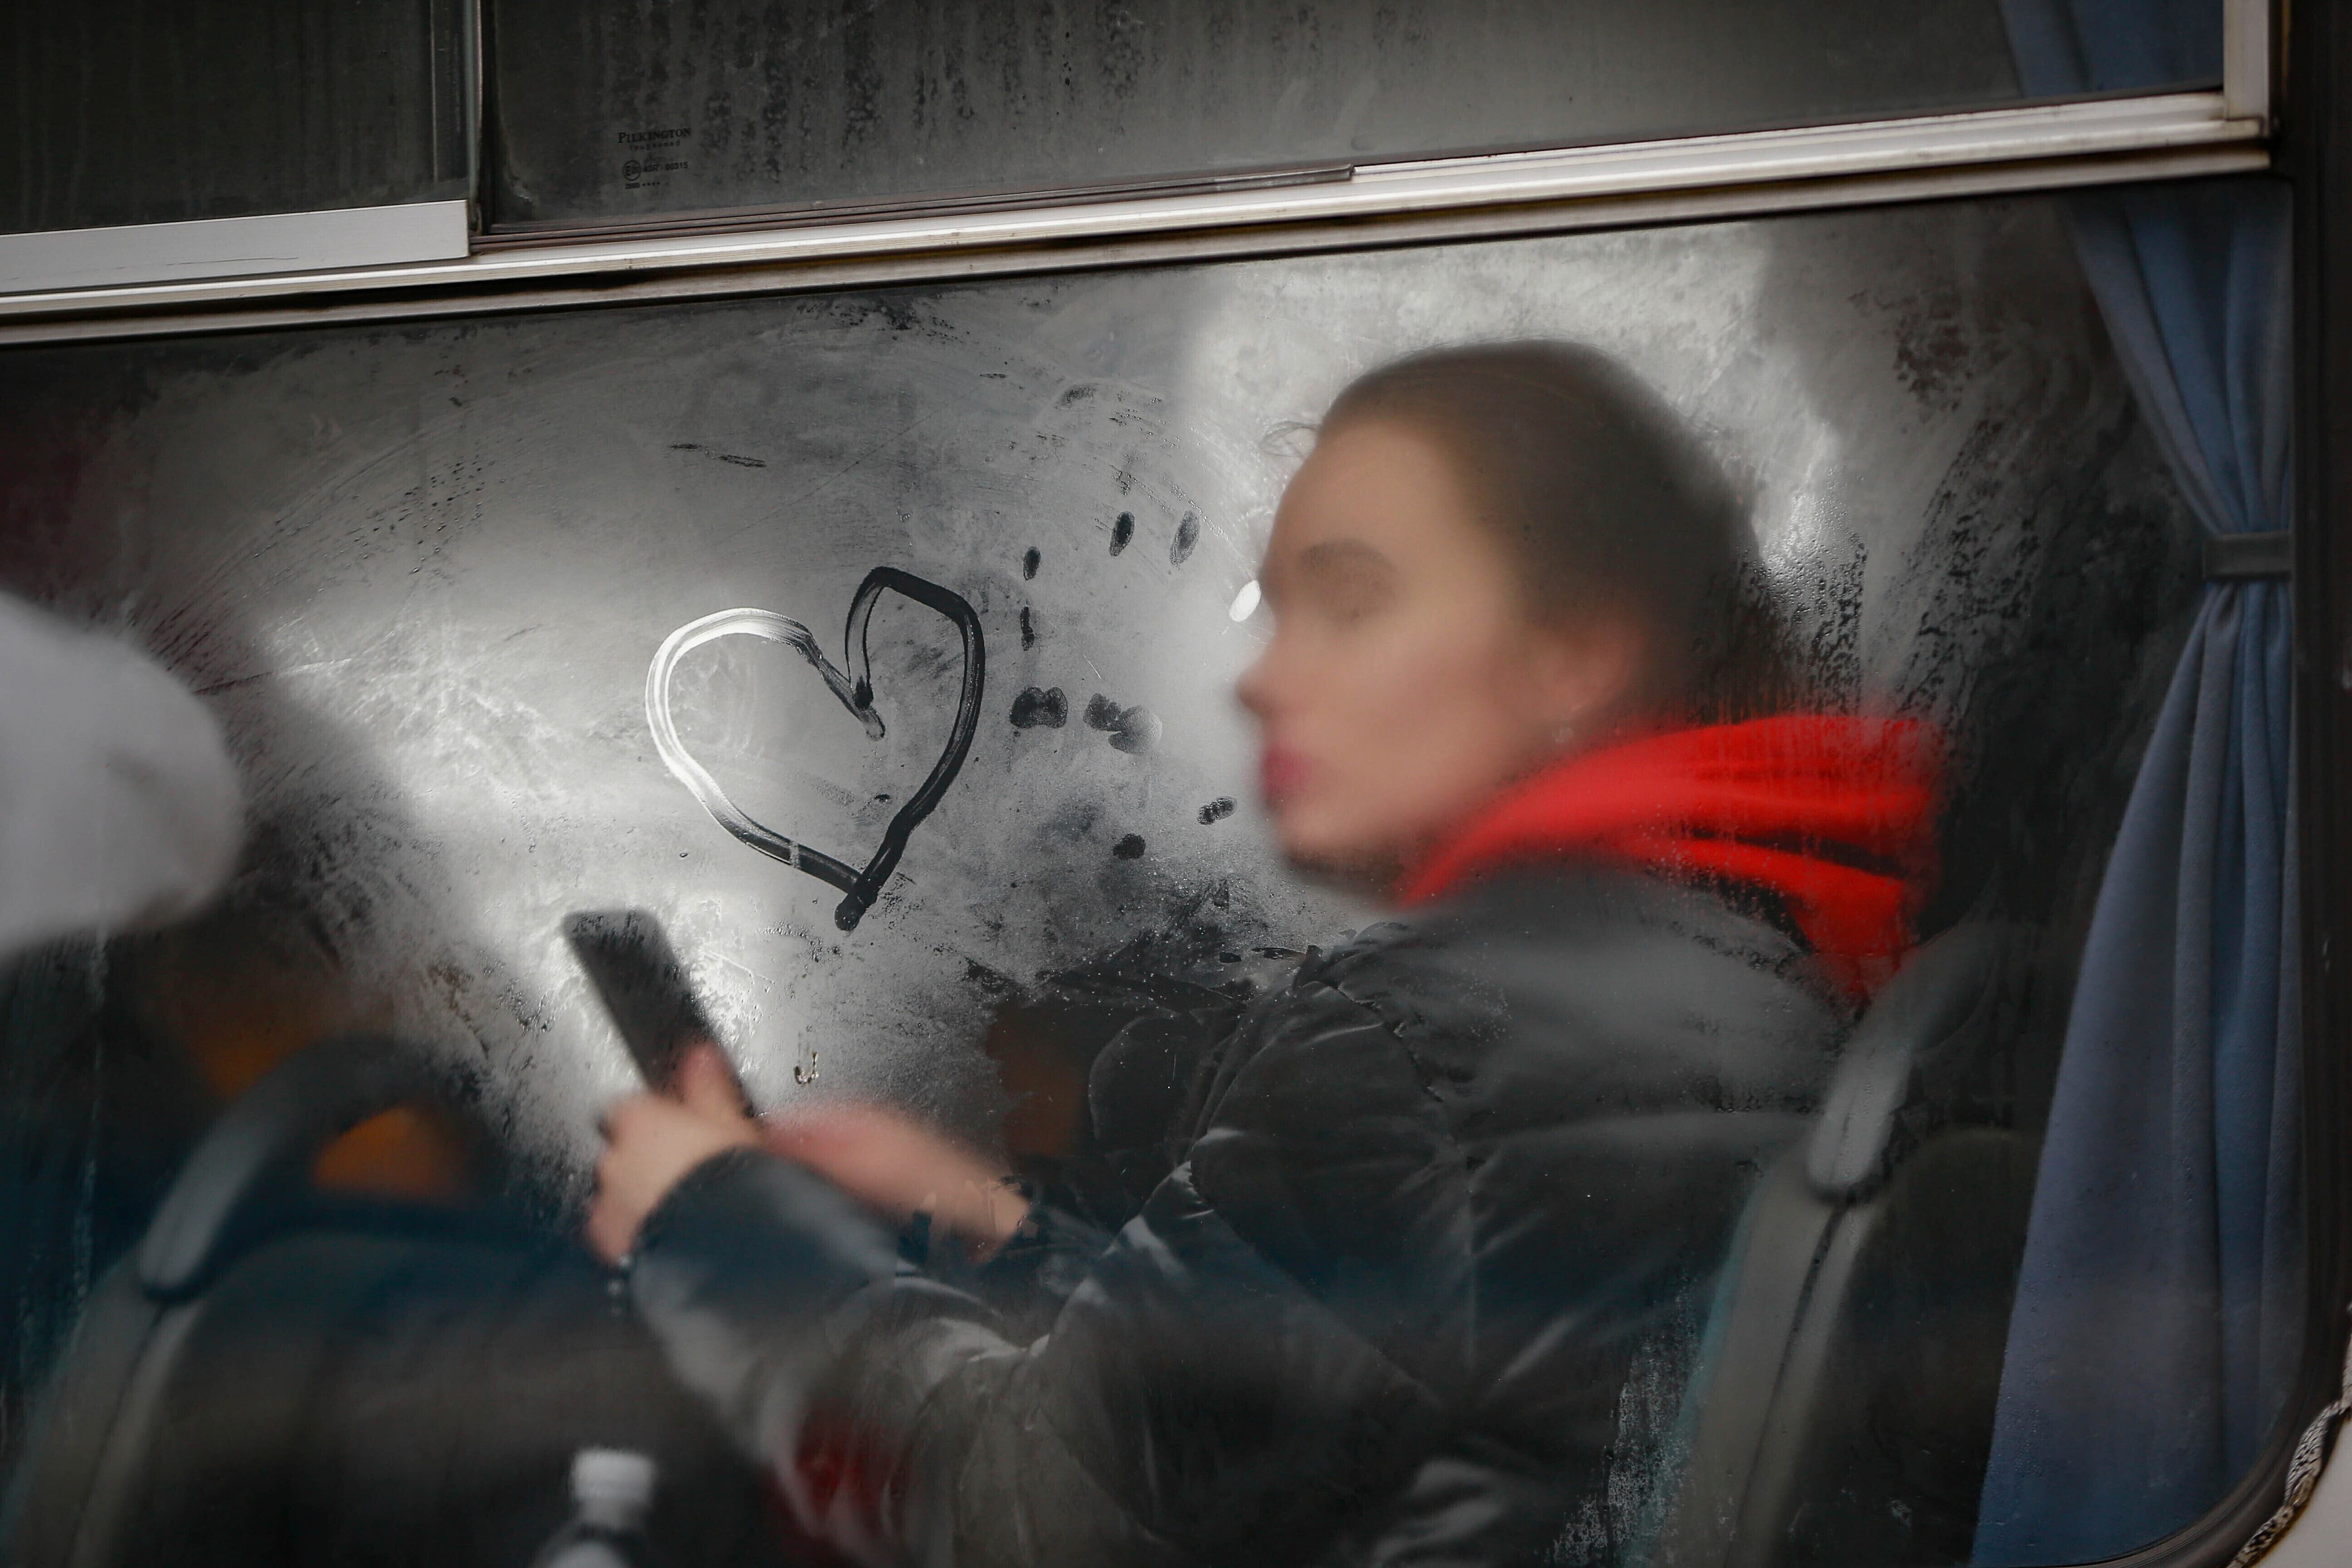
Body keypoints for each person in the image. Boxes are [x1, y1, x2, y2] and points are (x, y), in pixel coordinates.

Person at [588, 342, 1942, 1566]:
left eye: (1349, 604)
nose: (1262, 677)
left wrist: (723, 1231)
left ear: (1573, 655)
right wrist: (994, 1224)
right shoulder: (1731, 971)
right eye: (1276, 609)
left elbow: (1027, 1521)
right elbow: (1319, 1389)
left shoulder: (1427, 1041)